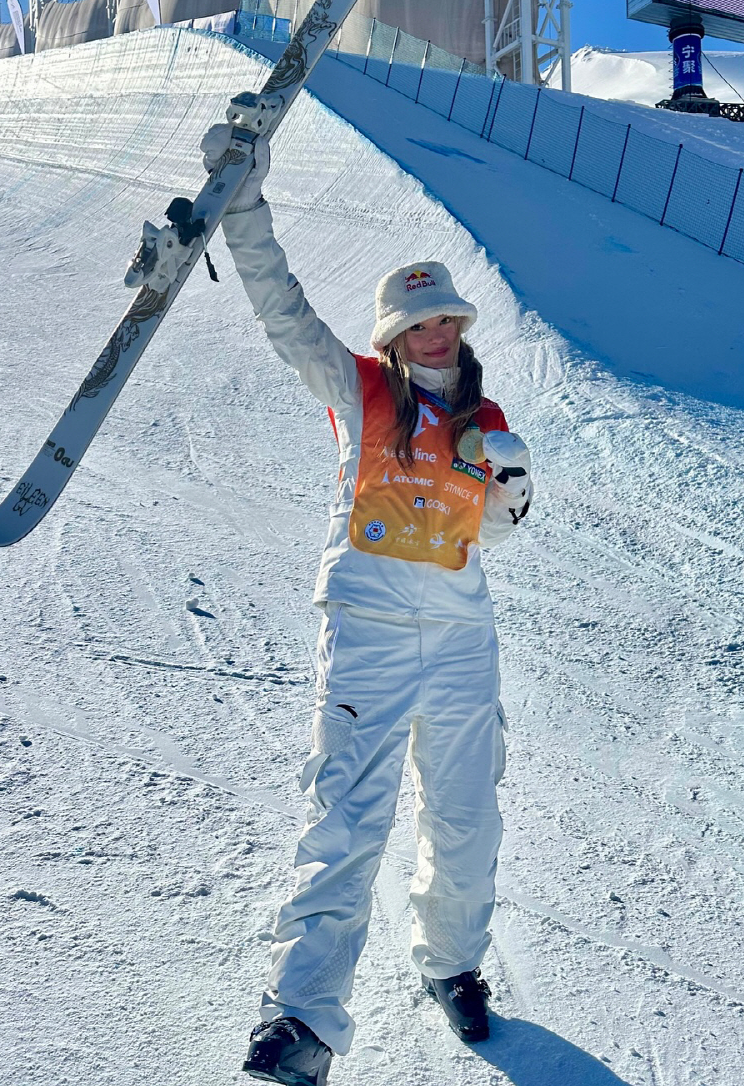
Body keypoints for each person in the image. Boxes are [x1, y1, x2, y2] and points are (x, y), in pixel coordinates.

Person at [198, 127, 535, 1086]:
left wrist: (511, 499)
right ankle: (300, 1021)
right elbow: (282, 311)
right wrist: (246, 205)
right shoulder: (359, 392)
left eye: (451, 323)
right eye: (424, 323)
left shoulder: (487, 420)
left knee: (468, 818)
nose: (441, 335)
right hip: (371, 635)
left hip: (465, 638)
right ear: (393, 334)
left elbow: (487, 532)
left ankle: (453, 965)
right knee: (347, 822)